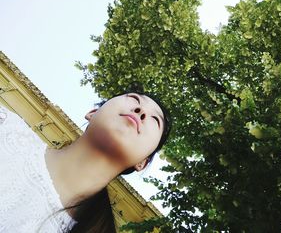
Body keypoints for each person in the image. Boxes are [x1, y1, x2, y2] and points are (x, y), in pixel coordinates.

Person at [0, 89, 172, 233]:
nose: (141, 112)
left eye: (154, 120)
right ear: (93, 113)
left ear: (143, 162)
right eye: (134, 100)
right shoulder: (6, 128)